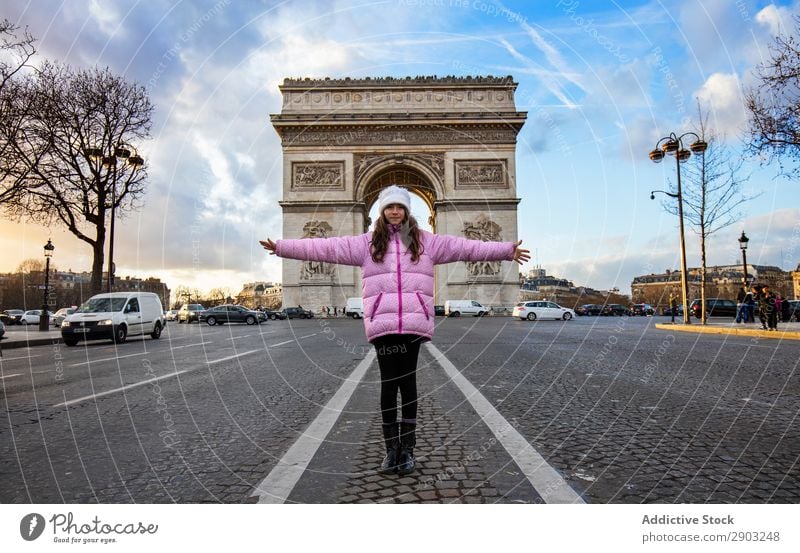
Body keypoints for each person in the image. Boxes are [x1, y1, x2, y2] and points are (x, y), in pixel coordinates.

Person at [260, 185, 530, 475]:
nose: (395, 211)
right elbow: (325, 247)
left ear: (406, 210)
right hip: (384, 323)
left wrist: (505, 250)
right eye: (390, 206)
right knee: (389, 385)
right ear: (382, 211)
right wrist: (281, 247)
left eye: (399, 206)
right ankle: (392, 451)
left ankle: (408, 450)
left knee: (408, 385)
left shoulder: (427, 242)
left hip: (413, 323)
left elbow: (466, 246)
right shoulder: (366, 244)